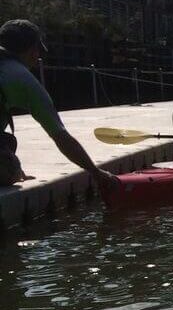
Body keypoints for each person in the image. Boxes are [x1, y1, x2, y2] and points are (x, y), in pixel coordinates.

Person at [0, 19, 120, 192]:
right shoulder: (24, 80)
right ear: (33, 51)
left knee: (8, 141)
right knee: (11, 169)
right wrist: (96, 172)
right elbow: (61, 137)